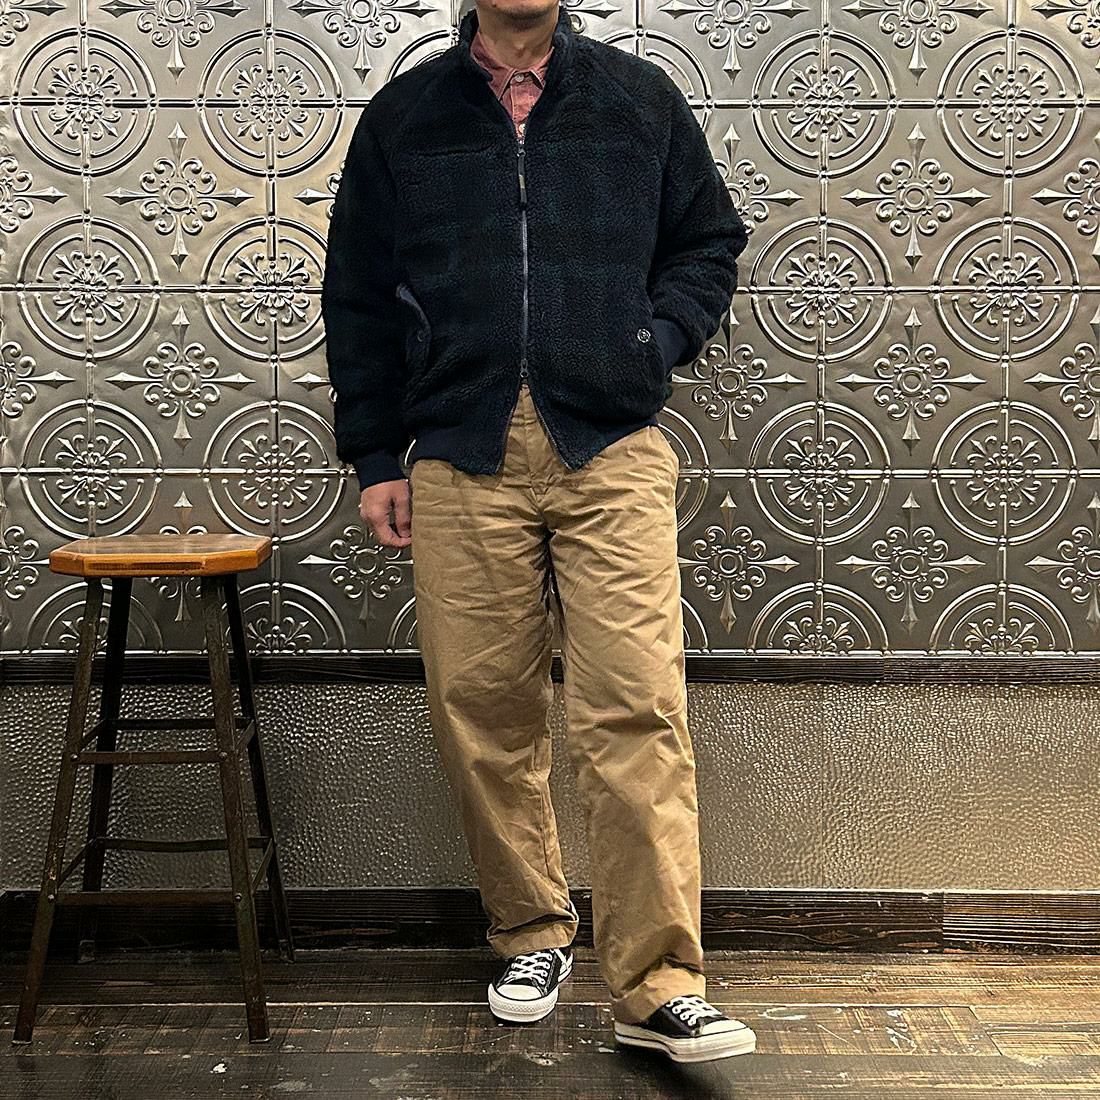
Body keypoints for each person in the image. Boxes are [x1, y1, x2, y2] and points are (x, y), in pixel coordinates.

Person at [322, 0, 752, 1064]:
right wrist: (375, 453)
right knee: (481, 707)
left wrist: (654, 339)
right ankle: (530, 932)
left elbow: (708, 241)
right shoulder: (406, 116)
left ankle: (657, 984)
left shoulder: (637, 100)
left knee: (637, 706)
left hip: (610, 444)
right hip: (459, 449)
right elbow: (357, 292)